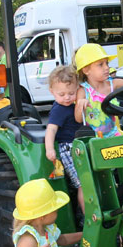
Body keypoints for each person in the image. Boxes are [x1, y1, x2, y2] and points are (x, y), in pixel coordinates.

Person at [44, 66, 83, 211]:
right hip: (68, 149)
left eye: (71, 93)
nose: (67, 97)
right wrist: (49, 148)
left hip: (79, 145)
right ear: (52, 92)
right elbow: (51, 129)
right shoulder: (58, 110)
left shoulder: (75, 105)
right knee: (83, 184)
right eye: (62, 94)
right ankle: (88, 216)